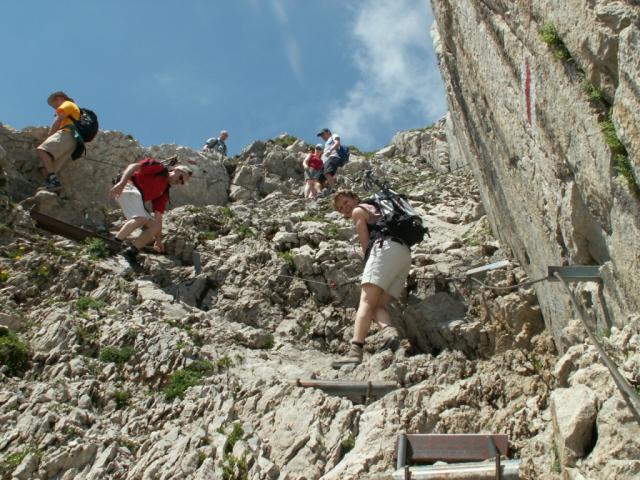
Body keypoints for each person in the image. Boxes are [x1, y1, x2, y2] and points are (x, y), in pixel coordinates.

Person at [330, 189, 411, 368]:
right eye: (341, 207)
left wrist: (368, 266)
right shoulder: (378, 208)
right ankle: (392, 337)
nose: (345, 208)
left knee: (365, 301)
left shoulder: (359, 211)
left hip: (384, 248)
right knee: (376, 304)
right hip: (404, 253)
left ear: (355, 197)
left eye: (346, 202)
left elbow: (366, 245)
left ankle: (355, 351)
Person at [109, 158, 193, 267]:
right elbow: (134, 166)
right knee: (141, 218)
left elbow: (158, 217)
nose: (179, 182)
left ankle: (131, 251)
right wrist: (121, 183)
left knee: (154, 226)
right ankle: (114, 242)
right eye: (181, 178)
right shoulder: (159, 168)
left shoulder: (164, 192)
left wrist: (158, 241)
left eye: (182, 182)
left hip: (136, 197)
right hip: (128, 186)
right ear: (176, 170)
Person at [36, 91, 80, 191]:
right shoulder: (70, 108)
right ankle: (52, 187)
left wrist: (48, 138)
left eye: (56, 99)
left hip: (67, 133)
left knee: (42, 149)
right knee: (45, 167)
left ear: (63, 97)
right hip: (72, 140)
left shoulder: (68, 104)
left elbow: (58, 120)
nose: (55, 103)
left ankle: (54, 182)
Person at [317, 128, 341, 192]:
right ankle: (320, 193)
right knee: (318, 179)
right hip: (325, 162)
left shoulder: (333, 136)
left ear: (328, 132)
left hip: (332, 157)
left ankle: (334, 189)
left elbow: (337, 143)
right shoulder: (326, 144)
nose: (322, 136)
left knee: (327, 173)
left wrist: (330, 150)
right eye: (321, 135)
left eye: (323, 134)